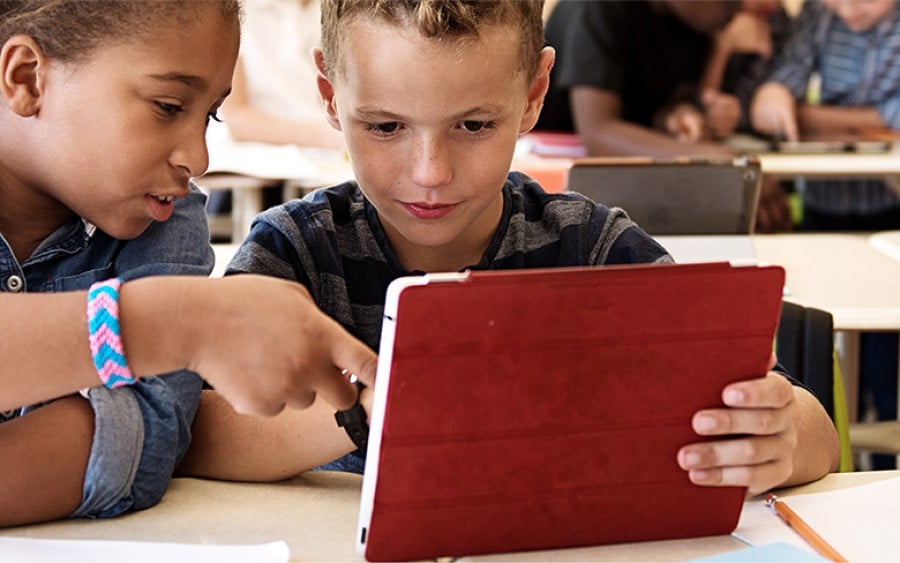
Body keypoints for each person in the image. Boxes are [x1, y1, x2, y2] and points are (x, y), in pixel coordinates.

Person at [181, 0, 839, 497]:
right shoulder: (292, 252)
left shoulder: (591, 247)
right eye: (385, 126)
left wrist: (783, 436)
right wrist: (380, 409)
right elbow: (198, 431)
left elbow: (813, 429)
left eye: (473, 124)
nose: (430, 171)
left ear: (532, 95)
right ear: (329, 94)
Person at [0, 0, 374, 528]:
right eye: (169, 106)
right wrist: (174, 320)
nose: (197, 159)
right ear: (27, 79)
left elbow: (147, 436)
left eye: (212, 114)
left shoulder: (168, 227)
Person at [750, 0, 900, 469]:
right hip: (821, 213)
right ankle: (843, 463)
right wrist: (785, 100)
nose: (849, 8)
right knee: (827, 359)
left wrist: (809, 114)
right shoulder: (818, 18)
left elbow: (894, 122)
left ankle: (880, 475)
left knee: (886, 367)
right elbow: (767, 107)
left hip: (889, 215)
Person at [535, 0, 792, 233]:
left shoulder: (696, 24)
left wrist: (681, 117)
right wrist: (720, 160)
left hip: (633, 185)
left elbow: (667, 105)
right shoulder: (601, 8)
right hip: (557, 186)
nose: (743, 6)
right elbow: (598, 131)